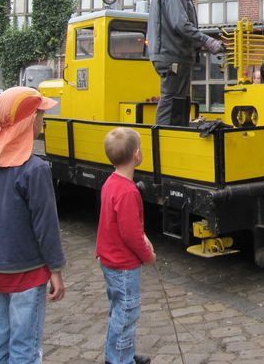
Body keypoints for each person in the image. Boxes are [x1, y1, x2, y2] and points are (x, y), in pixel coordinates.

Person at [0, 86, 65, 363]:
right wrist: (56, 269)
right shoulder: (35, 169)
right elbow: (46, 225)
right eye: (40, 115)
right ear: (29, 123)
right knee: (25, 344)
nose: (43, 121)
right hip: (27, 271)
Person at [96, 127, 156, 364]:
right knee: (127, 313)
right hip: (123, 265)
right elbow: (130, 234)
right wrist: (147, 255)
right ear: (137, 155)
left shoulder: (111, 182)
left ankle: (120, 354)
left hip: (109, 261)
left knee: (118, 311)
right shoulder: (128, 191)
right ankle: (121, 359)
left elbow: (123, 224)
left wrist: (143, 236)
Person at [147, 0, 223, 126]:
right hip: (172, 55)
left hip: (172, 54)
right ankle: (165, 143)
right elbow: (180, 24)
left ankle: (176, 139)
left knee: (180, 102)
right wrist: (207, 40)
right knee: (172, 101)